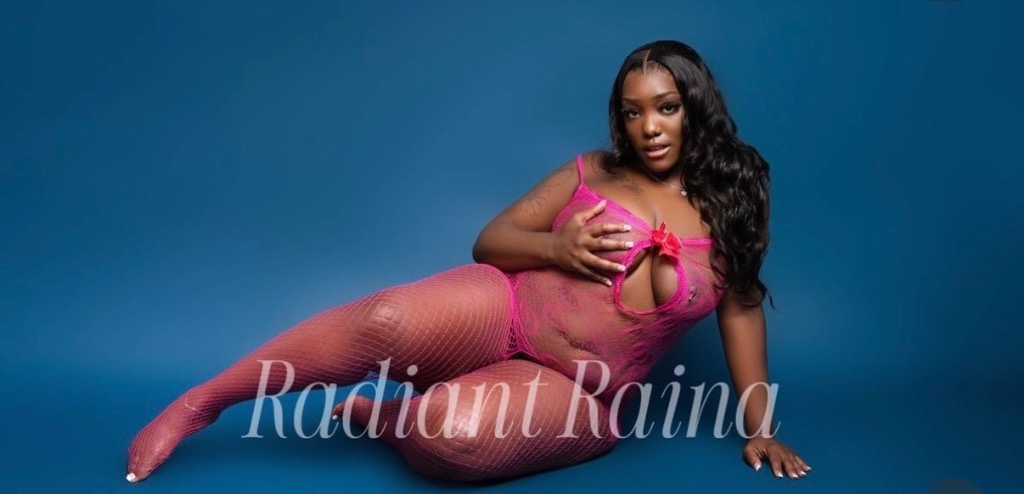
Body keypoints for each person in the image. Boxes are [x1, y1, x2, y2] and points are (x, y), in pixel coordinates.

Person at [125, 39, 811, 483]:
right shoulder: (593, 171)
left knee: (449, 432)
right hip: (505, 311)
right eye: (632, 113)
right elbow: (490, 242)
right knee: (385, 317)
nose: (649, 128)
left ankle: (386, 419)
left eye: (665, 108)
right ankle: (200, 404)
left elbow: (742, 311)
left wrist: (761, 430)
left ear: (694, 108)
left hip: (581, 391)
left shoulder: (733, 206)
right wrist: (555, 248)